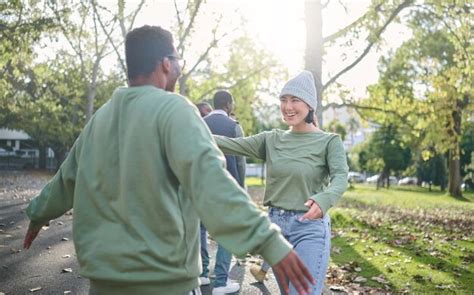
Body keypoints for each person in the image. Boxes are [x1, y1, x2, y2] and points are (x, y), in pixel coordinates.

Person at [23, 26, 315, 295]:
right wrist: (270, 241)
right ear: (166, 63)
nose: (178, 67)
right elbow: (212, 183)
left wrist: (39, 213)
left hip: (103, 279)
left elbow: (66, 178)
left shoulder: (102, 117)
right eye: (178, 60)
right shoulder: (174, 110)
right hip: (162, 279)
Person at [214, 71, 349, 295]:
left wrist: (324, 199)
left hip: (309, 228)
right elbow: (230, 144)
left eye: (295, 100)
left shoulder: (329, 141)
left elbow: (341, 177)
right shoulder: (271, 139)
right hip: (275, 230)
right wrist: (188, 131)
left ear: (309, 105)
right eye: (283, 100)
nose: (288, 106)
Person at [199, 91, 245, 294]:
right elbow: (241, 160)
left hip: (201, 185)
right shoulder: (234, 126)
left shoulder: (199, 123)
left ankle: (201, 274)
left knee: (200, 228)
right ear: (227, 104)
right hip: (228, 185)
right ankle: (220, 281)